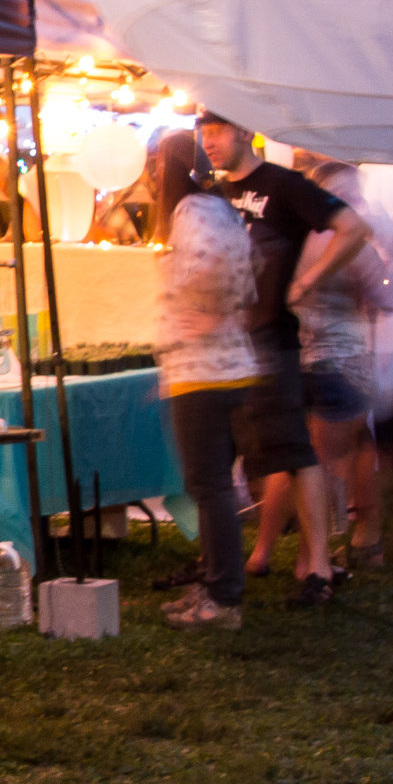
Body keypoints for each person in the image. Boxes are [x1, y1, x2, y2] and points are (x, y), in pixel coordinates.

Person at [196, 114, 372, 606]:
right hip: (222, 345)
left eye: (217, 130)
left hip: (271, 342)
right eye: (203, 130)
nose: (208, 140)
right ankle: (223, 563)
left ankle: (318, 570)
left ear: (243, 130)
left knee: (295, 452)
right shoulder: (212, 195)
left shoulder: (283, 185)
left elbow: (354, 228)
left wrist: (308, 280)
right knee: (225, 456)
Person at [249, 159, 390, 570]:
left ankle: (263, 551)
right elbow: (385, 296)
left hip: (295, 360)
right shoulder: (349, 246)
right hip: (341, 363)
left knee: (291, 459)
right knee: (324, 465)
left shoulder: (292, 241)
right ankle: (312, 559)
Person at [156, 188, 260, 629]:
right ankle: (215, 586)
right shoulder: (226, 214)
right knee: (212, 487)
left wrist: (206, 315)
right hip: (228, 368)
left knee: (210, 487)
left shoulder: (191, 210)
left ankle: (222, 598)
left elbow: (211, 262)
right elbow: (252, 279)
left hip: (202, 372)